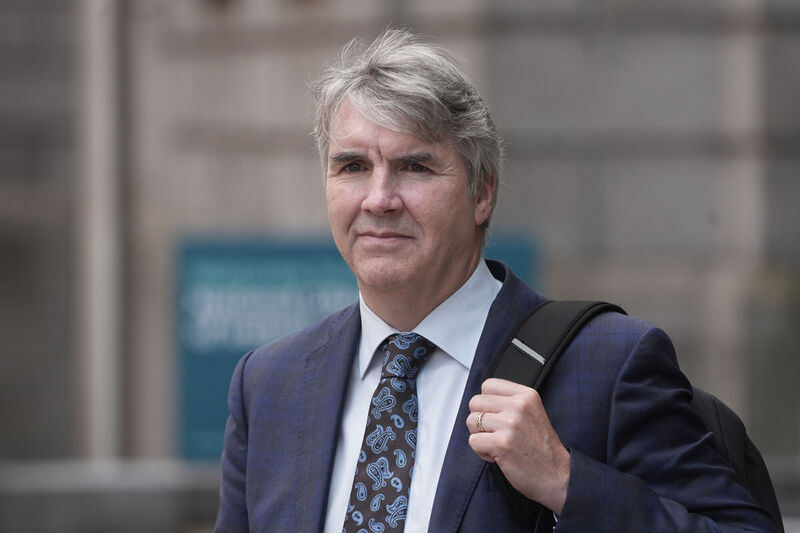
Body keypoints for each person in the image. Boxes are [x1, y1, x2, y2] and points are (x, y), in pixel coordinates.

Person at [214, 29, 777, 532]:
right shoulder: (270, 384)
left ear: (481, 193)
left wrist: (565, 482)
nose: (379, 200)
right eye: (352, 166)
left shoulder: (608, 364)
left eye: (415, 166)